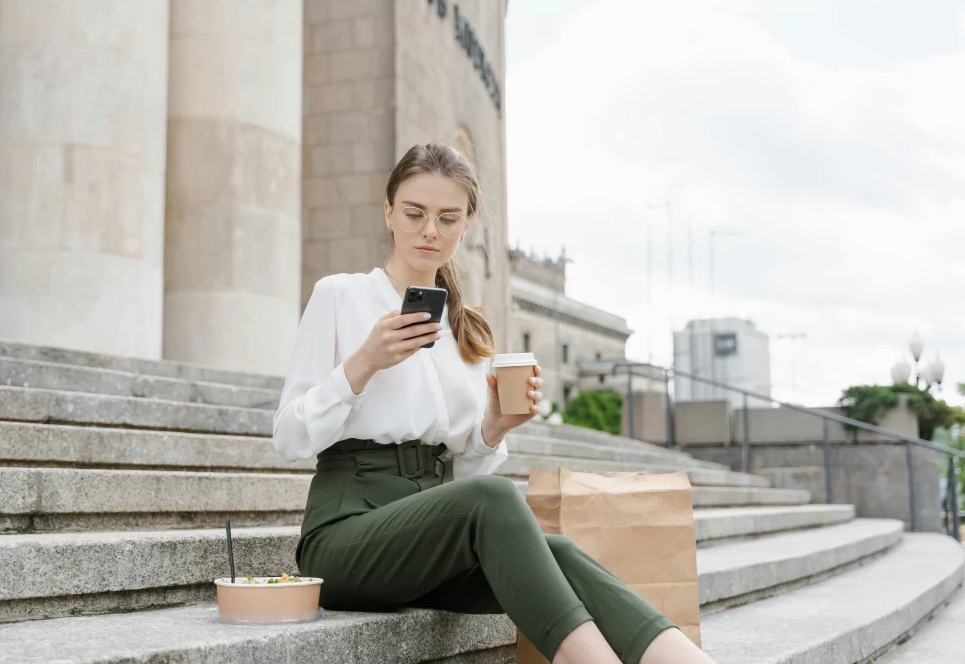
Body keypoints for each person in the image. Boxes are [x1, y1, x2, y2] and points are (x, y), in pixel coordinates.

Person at [273, 142, 716, 664]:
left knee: (562, 552)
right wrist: (363, 363)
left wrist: (494, 428)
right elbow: (288, 438)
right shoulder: (340, 296)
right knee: (494, 498)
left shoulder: (467, 331)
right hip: (346, 538)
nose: (429, 231)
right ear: (388, 212)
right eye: (414, 213)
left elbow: (460, 483)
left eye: (447, 217)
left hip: (429, 537)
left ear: (467, 226)